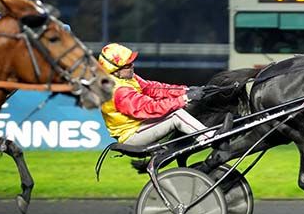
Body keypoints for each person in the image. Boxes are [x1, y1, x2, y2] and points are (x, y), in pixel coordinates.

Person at [98, 43, 232, 147]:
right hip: (132, 135)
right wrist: (185, 99)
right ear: (114, 70)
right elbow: (150, 108)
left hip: (141, 126)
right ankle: (212, 139)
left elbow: (154, 89)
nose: (132, 65)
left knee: (178, 110)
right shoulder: (118, 91)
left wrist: (186, 90)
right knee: (176, 115)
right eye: (128, 65)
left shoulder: (126, 78)